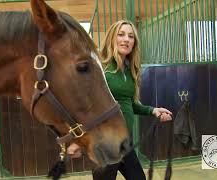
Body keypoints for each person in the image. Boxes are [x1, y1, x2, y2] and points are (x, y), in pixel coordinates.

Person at [67, 20, 173, 180]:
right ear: (112, 38)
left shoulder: (130, 70)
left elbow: (129, 104)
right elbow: (84, 106)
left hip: (124, 142)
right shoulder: (100, 67)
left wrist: (153, 111)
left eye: (131, 36)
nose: (126, 39)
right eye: (121, 34)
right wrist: (78, 140)